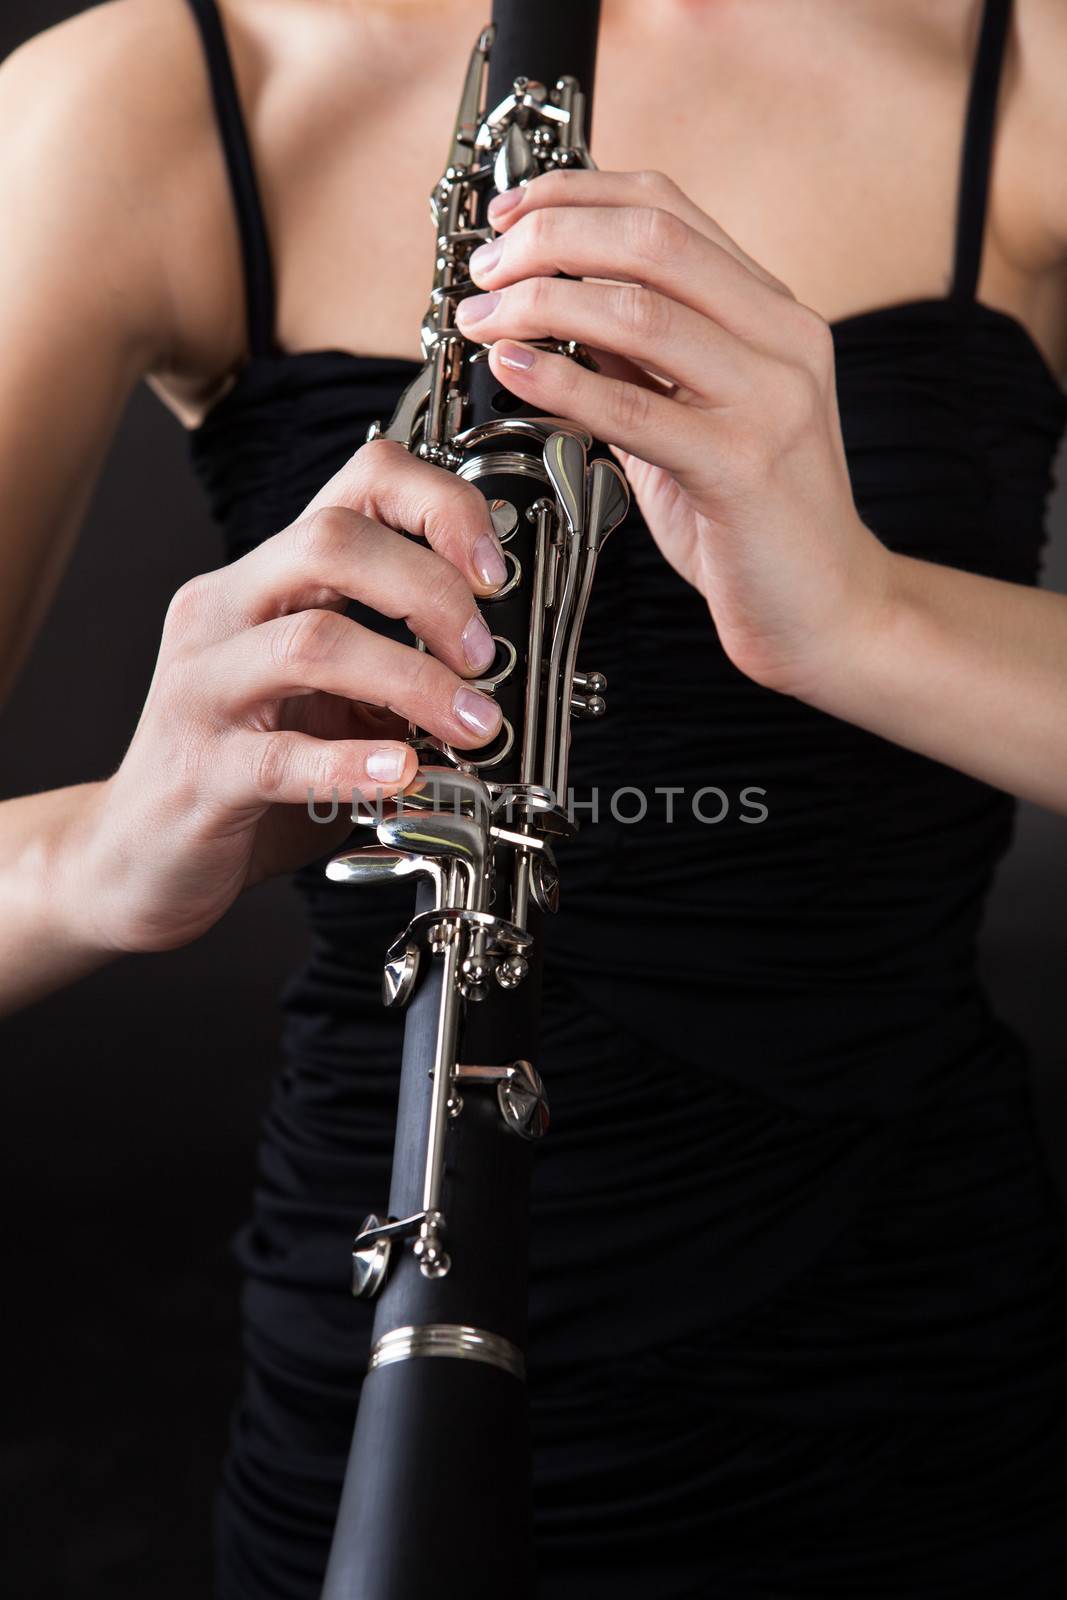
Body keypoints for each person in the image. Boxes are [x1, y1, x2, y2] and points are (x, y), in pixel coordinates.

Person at [2, 0, 1066, 1593]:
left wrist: (864, 616)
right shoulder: (157, 90)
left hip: (929, 1392)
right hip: (364, 1386)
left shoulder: (1031, 59)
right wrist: (100, 851)